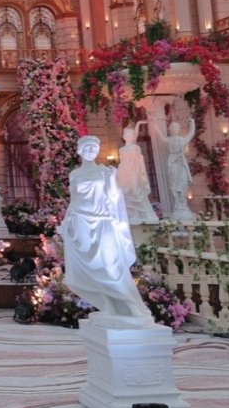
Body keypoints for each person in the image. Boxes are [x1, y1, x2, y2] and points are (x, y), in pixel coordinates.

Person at [58, 136, 151, 321]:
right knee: (91, 272)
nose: (91, 150)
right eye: (87, 147)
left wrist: (114, 182)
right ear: (80, 151)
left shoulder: (105, 172)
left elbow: (115, 198)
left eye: (94, 147)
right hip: (80, 222)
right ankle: (108, 306)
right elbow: (74, 201)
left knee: (110, 268)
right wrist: (65, 222)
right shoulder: (74, 175)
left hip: (102, 223)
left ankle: (133, 306)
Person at [115, 123, 159, 224]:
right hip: (123, 172)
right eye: (127, 134)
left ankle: (143, 213)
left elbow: (139, 162)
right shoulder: (121, 149)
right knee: (125, 193)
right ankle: (131, 214)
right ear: (124, 136)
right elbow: (121, 162)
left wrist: (138, 124)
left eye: (132, 135)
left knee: (136, 191)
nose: (130, 136)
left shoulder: (135, 148)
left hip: (133, 171)